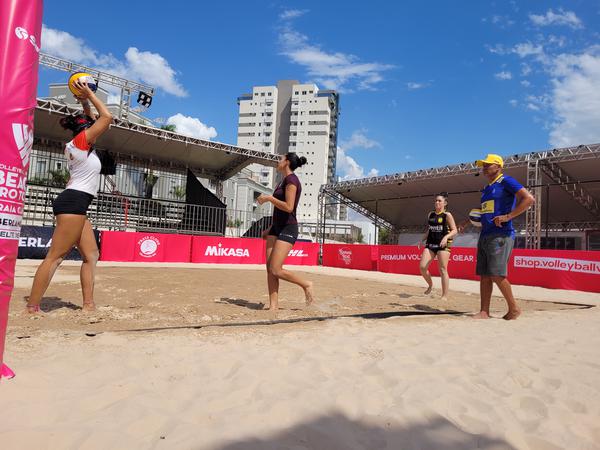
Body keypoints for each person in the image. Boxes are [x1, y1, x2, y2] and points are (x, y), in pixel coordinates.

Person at [26, 79, 113, 313]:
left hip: (75, 201)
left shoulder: (78, 144)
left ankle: (88, 304)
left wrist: (85, 101)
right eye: (90, 125)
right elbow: (106, 118)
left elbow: (94, 120)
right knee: (56, 256)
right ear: (85, 130)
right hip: (74, 201)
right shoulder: (81, 142)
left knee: (91, 254)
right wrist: (91, 96)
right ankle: (32, 306)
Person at [461, 154, 534, 320]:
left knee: (497, 274)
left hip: (501, 234)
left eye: (488, 165)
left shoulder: (506, 180)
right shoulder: (487, 188)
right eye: (483, 165)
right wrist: (467, 221)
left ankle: (514, 309)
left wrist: (508, 216)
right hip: (485, 233)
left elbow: (529, 199)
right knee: (485, 275)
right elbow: (483, 209)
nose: (484, 168)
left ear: (498, 166)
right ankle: (484, 312)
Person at [257, 153, 314, 310]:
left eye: (280, 159)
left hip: (289, 227)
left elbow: (289, 207)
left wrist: (269, 198)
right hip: (276, 227)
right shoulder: (282, 181)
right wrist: (270, 229)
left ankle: (306, 284)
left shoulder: (292, 180)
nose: (278, 161)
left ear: (287, 162)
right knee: (269, 269)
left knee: (276, 269)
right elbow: (279, 210)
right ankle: (273, 306)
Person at [418, 192, 457, 301]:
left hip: (443, 244)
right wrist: (422, 239)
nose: (437, 202)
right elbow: (429, 229)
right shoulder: (430, 214)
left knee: (443, 269)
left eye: (439, 201)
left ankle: (444, 295)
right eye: (436, 200)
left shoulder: (447, 215)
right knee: (422, 267)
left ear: (445, 203)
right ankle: (430, 285)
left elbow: (455, 230)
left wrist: (446, 237)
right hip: (430, 243)